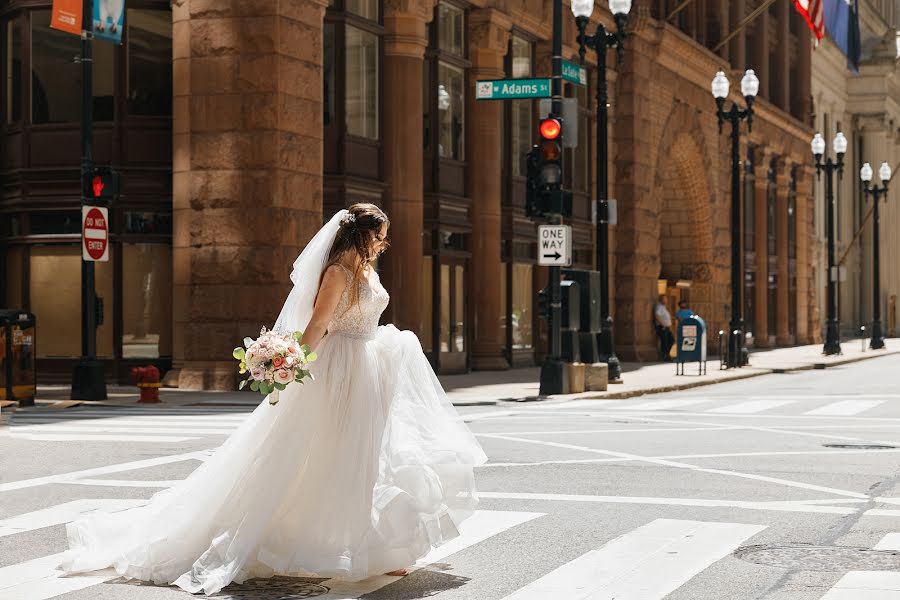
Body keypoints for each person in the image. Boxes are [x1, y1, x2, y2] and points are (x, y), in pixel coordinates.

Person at [59, 204, 487, 595]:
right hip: (339, 369)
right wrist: (292, 365)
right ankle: (316, 541)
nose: (382, 243)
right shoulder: (338, 271)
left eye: (383, 237)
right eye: (377, 236)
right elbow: (319, 324)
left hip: (370, 365)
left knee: (370, 455)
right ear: (358, 236)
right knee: (327, 455)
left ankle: (372, 546)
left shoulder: (365, 271)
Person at [654, 295, 674, 361]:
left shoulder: (663, 307)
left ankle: (666, 354)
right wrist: (663, 325)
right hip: (662, 327)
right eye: (665, 299)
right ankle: (664, 356)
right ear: (661, 300)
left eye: (666, 299)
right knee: (665, 342)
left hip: (666, 327)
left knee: (671, 340)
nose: (666, 300)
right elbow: (657, 315)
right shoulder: (659, 307)